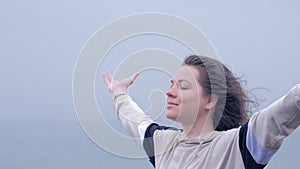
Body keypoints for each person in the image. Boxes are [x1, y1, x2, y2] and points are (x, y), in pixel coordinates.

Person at [102, 55, 300, 169]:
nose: (169, 92)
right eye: (171, 84)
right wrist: (119, 92)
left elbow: (289, 106)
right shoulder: (164, 144)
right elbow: (135, 120)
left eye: (183, 86)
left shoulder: (237, 146)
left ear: (210, 100)